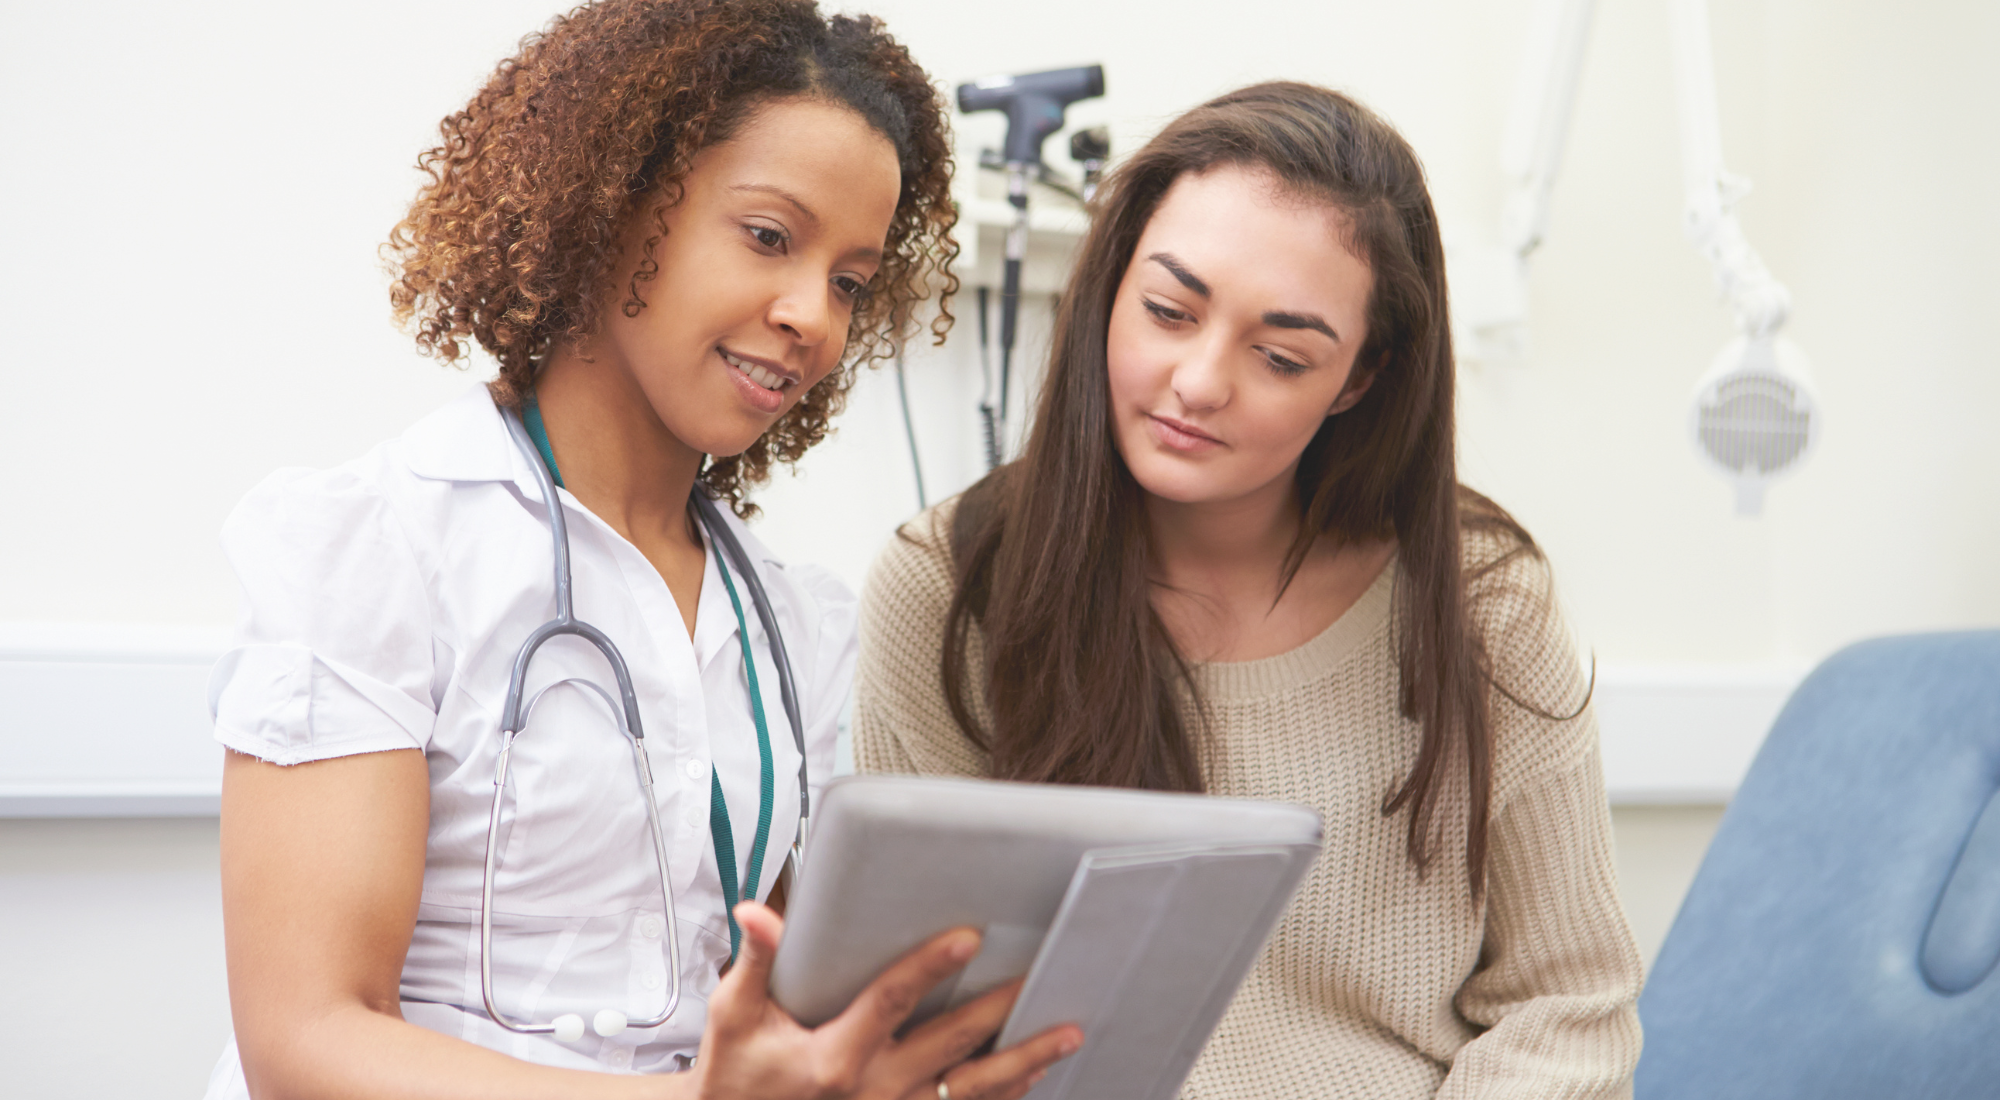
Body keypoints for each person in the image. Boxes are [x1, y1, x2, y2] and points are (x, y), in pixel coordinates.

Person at [205, 2, 1079, 1097]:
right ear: (611, 204)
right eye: (768, 236)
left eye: (850, 281)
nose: (812, 313)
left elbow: (775, 1007)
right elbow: (306, 1038)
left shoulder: (790, 621)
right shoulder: (376, 547)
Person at [853, 82, 1644, 1099]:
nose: (1197, 380)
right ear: (1108, 287)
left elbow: (1567, 1009)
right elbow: (916, 1025)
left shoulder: (1484, 601)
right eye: (1167, 311)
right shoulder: (949, 587)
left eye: (1278, 355)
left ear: (1358, 378)